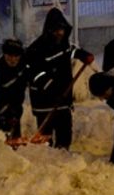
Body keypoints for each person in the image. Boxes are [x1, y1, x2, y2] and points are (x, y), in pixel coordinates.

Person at [26, 8, 95, 149]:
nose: (60, 33)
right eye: (56, 30)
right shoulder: (36, 49)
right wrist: (52, 87)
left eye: (62, 30)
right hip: (45, 103)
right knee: (46, 140)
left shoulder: (64, 44)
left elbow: (71, 51)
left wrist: (83, 55)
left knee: (64, 137)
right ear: (49, 29)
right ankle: (48, 165)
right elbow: (34, 74)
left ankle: (63, 161)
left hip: (63, 101)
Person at [0, 39, 28, 140]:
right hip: (0, 105)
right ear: (4, 55)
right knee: (1, 131)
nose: (13, 60)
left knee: (15, 123)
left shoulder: (24, 67)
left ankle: (15, 142)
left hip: (17, 104)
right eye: (9, 56)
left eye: (16, 56)